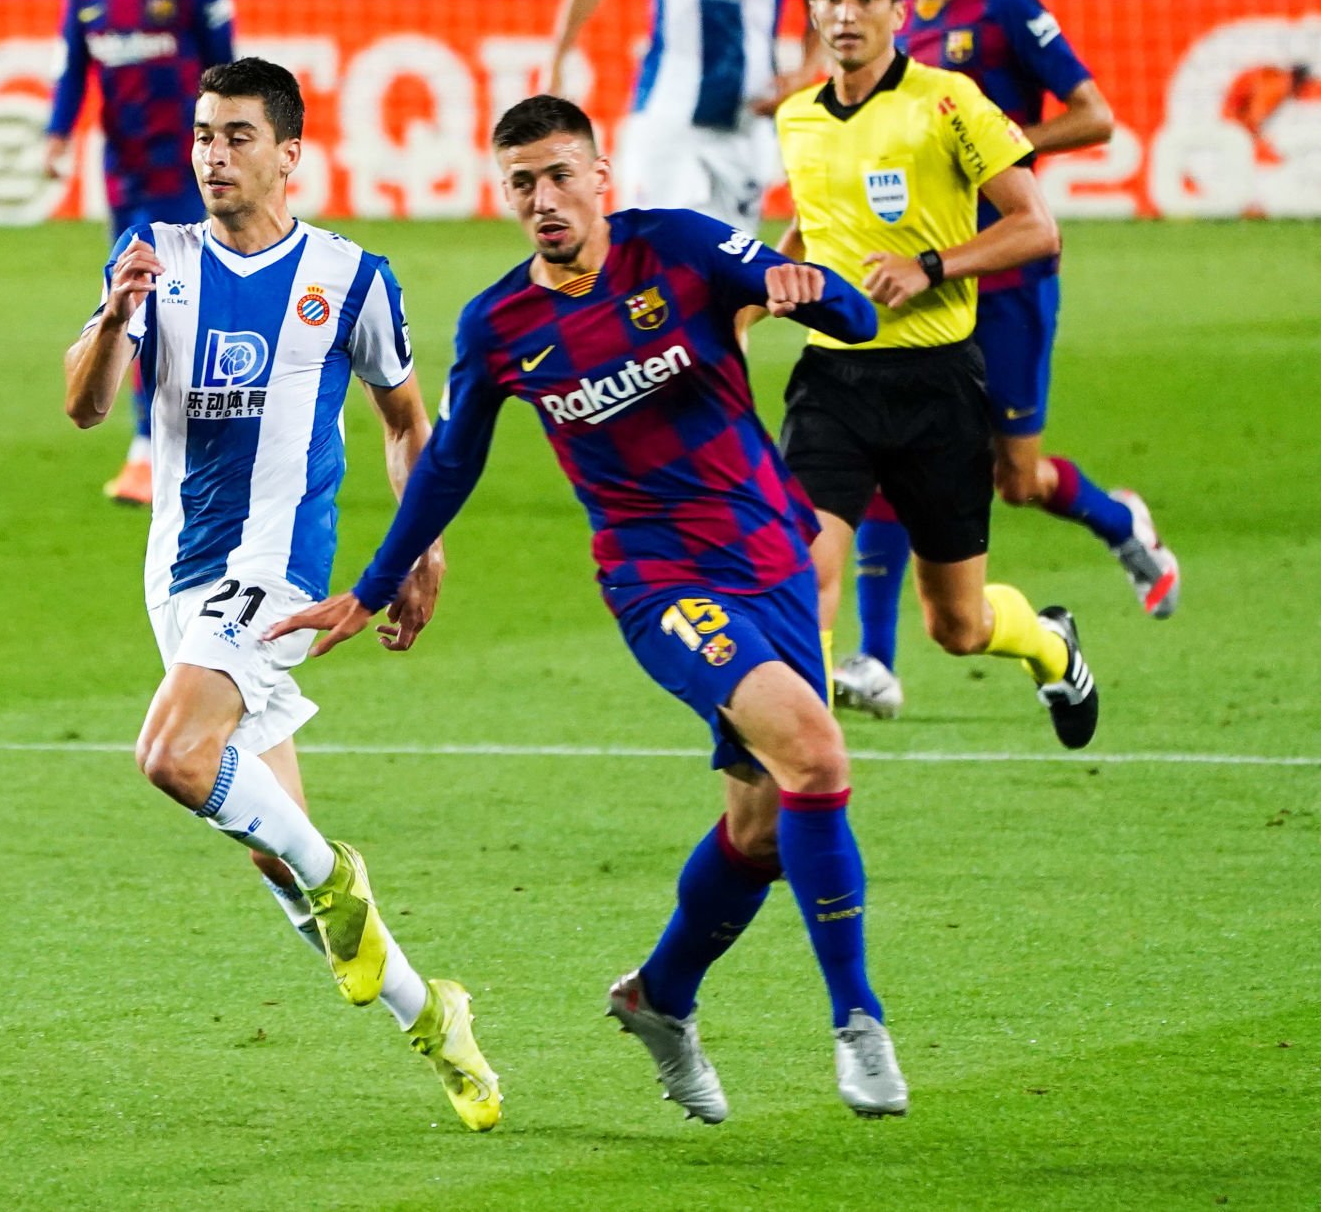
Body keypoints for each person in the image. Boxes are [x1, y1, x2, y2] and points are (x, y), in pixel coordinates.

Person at [269, 94, 909, 1122]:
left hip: (768, 554)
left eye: (561, 174)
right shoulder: (500, 326)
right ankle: (857, 1022)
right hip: (656, 582)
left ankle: (658, 997)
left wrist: (813, 293)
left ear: (602, 176)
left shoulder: (685, 251)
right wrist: (374, 585)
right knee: (816, 754)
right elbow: (448, 465)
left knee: (754, 825)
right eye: (521, 182)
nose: (543, 199)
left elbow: (859, 318)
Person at [62, 58, 500, 1132]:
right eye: (205, 136)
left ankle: (335, 871)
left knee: (171, 755)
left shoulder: (349, 278)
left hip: (275, 576)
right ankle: (430, 1015)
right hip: (177, 580)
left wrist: (418, 541)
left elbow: (406, 423)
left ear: (289, 154)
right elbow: (82, 410)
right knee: (272, 846)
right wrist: (114, 318)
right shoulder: (152, 261)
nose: (213, 155)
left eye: (238, 137)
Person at [832, 0, 1180, 720]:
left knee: (1016, 479)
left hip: (1007, 277)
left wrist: (1005, 145)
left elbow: (1093, 115)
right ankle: (875, 658)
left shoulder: (1006, 10)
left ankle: (1119, 523)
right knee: (886, 443)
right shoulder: (890, 23)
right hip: (916, 273)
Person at [773, 0, 1100, 747]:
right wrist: (743, 308)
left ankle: (1050, 642)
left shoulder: (950, 101)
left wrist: (932, 264)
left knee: (956, 623)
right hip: (833, 382)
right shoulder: (797, 119)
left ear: (896, 8)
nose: (846, 14)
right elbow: (810, 230)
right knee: (804, 568)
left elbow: (1037, 228)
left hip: (939, 384)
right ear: (813, 11)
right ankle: (809, 772)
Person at [48, 0, 235, 507]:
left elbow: (227, 75)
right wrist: (55, 136)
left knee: (151, 303)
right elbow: (75, 71)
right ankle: (163, 449)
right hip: (123, 178)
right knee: (144, 303)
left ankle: (150, 450)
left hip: (186, 177)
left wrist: (227, 151)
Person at [546, 0, 829, 232]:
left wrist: (806, 72)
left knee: (728, 269)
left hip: (747, 114)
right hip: (665, 113)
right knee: (644, 252)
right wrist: (557, 63)